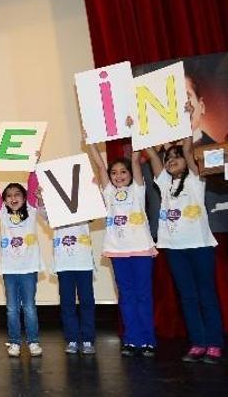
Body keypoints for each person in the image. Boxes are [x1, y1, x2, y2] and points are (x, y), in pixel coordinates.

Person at [145, 138, 223, 363]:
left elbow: (188, 149)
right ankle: (198, 343)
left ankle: (214, 344)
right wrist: (138, 131)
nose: (170, 161)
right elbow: (151, 155)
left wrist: (185, 124)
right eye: (167, 159)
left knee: (206, 295)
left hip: (200, 246)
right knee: (187, 297)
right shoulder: (164, 183)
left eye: (175, 157)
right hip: (174, 249)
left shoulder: (195, 180)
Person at [87, 123, 158, 357]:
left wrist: (136, 132)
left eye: (123, 172)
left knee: (143, 295)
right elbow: (99, 164)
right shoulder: (108, 192)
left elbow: (136, 159)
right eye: (114, 172)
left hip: (141, 250)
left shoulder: (138, 189)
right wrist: (92, 143)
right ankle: (132, 339)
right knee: (126, 296)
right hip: (118, 251)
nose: (118, 176)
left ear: (130, 175)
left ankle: (148, 340)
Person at [0, 161, 44, 357]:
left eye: (17, 194)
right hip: (9, 269)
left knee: (28, 307)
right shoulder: (2, 213)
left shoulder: (32, 209)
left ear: (25, 197)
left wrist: (33, 167)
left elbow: (33, 184)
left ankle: (33, 342)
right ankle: (15, 342)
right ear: (4, 201)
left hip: (28, 268)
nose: (13, 198)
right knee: (11, 309)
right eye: (8, 196)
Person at [35, 188, 96, 355]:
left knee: (87, 302)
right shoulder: (56, 210)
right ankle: (72, 339)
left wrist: (91, 188)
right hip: (64, 264)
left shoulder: (83, 208)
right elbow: (43, 213)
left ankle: (88, 338)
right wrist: (41, 198)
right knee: (67, 303)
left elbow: (96, 210)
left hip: (83, 263)